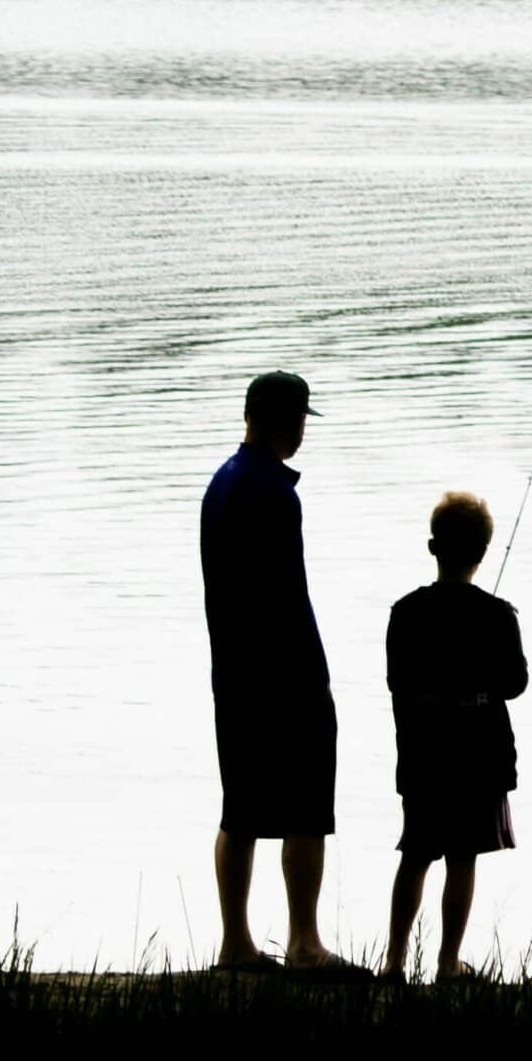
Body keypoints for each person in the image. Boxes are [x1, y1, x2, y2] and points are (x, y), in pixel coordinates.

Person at [199, 370, 361, 975]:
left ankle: (235, 943)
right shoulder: (274, 493)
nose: (302, 432)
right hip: (285, 674)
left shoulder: (221, 484)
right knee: (306, 810)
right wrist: (314, 677)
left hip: (234, 675)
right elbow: (288, 596)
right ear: (279, 422)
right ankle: (304, 942)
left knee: (239, 809)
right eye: (299, 421)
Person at [381, 491, 529, 983]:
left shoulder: (404, 613)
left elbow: (396, 683)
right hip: (479, 760)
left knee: (416, 854)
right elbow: (515, 684)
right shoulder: (499, 615)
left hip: (423, 757)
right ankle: (448, 963)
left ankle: (395, 962)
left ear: (432, 547)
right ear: (483, 553)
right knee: (462, 859)